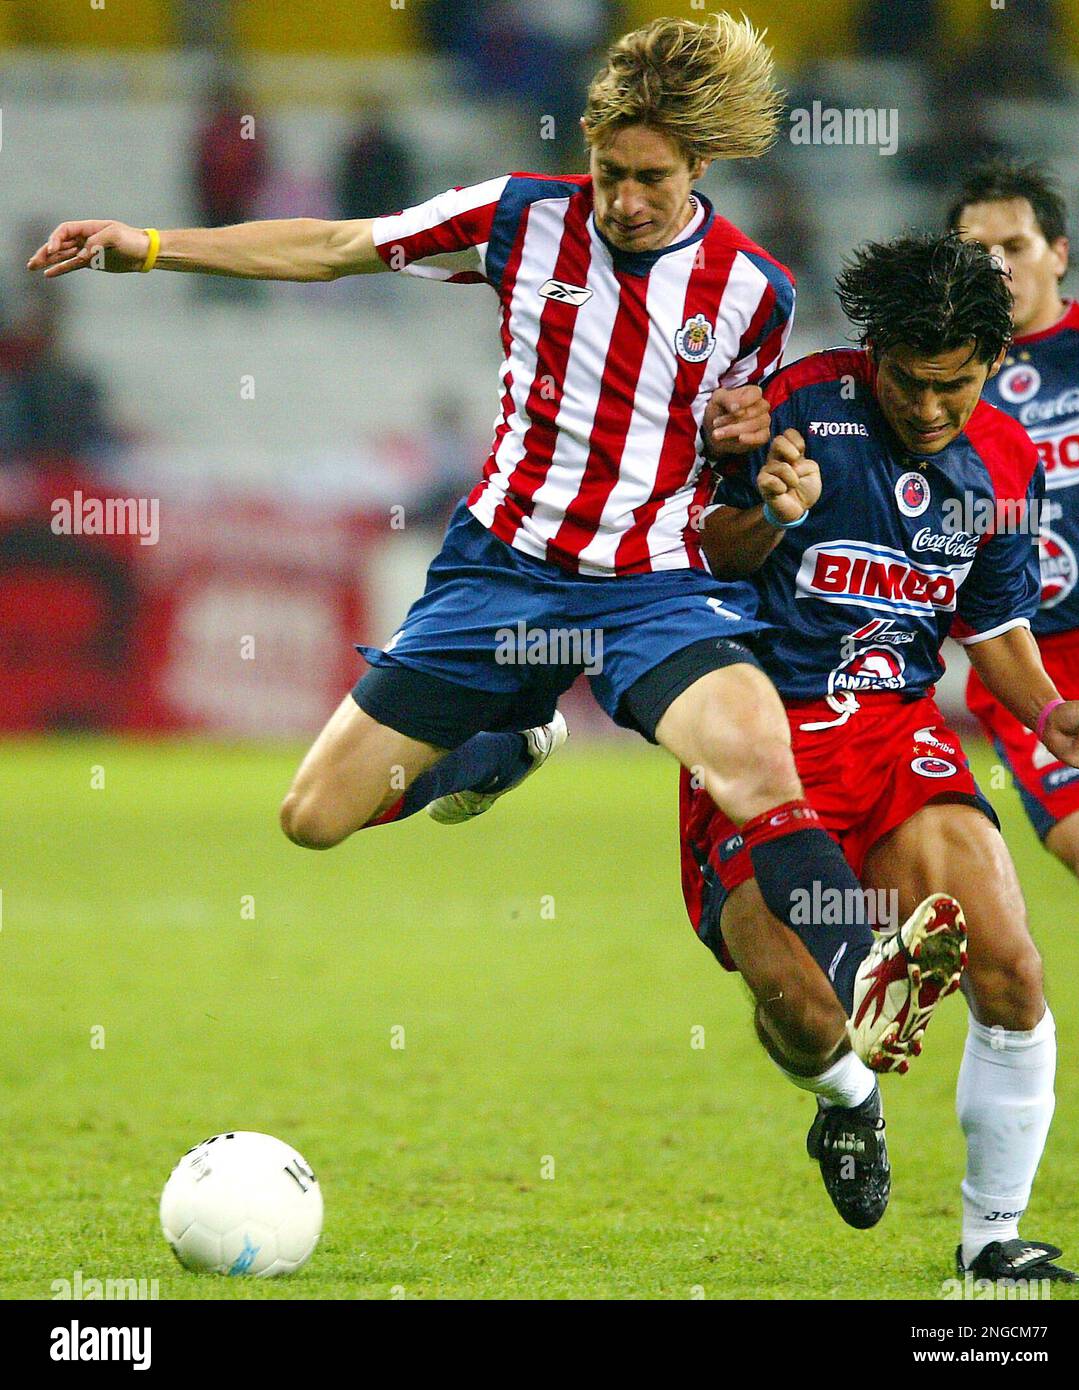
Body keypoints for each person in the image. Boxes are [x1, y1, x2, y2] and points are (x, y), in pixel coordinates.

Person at [27, 14, 964, 1078]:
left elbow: (731, 450)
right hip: (503, 572)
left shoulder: (757, 292)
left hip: (654, 588)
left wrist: (756, 454)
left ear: (699, 166)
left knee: (753, 759)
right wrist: (152, 246)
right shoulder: (519, 216)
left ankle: (866, 964)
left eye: (651, 179)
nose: (625, 199)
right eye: (609, 173)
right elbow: (336, 247)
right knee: (314, 817)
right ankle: (501, 748)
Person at [692, 231, 1079, 1278]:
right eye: (908, 382)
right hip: (755, 734)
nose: (927, 408)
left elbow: (993, 626)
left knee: (1011, 967)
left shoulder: (1006, 459)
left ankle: (992, 1243)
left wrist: (1049, 711)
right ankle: (847, 1098)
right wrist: (770, 512)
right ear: (874, 354)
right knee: (806, 1013)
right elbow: (706, 551)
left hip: (897, 734)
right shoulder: (793, 407)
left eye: (953, 386)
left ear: (994, 362)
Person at [949, 161, 1079, 910]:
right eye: (979, 253)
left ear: (1059, 253)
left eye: (1016, 246)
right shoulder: (933, 376)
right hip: (1027, 665)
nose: (999, 267)